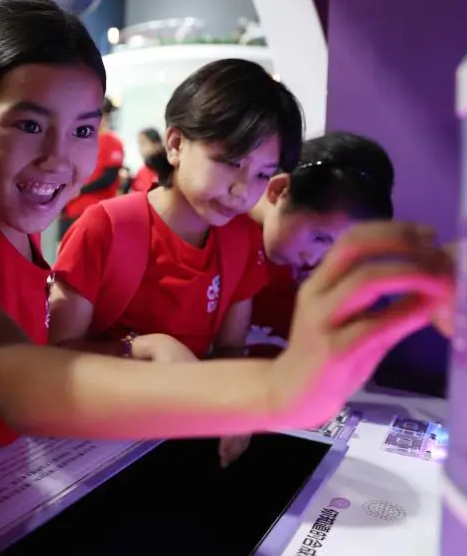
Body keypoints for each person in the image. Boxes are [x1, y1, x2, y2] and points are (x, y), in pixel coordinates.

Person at [0, 0, 454, 474]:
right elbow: (19, 382)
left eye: (83, 131)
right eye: (28, 125)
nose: (59, 158)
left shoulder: (10, 233)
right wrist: (275, 388)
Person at [48, 59, 302, 466]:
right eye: (231, 162)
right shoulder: (107, 227)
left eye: (262, 174)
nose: (242, 190)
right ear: (176, 144)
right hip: (97, 446)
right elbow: (52, 362)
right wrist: (142, 348)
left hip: (182, 439)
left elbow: (230, 348)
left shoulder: (240, 239)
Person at [246, 132, 395, 356]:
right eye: (319, 237)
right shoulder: (221, 237)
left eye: (335, 246)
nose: (315, 258)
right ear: (279, 190)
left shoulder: (318, 272)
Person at [57, 96, 123, 238]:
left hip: (95, 210)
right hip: (72, 211)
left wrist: (80, 190)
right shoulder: (79, 143)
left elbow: (108, 178)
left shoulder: (111, 141)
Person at [129, 126, 163, 193]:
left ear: (157, 145)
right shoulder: (140, 172)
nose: (140, 148)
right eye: (139, 144)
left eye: (143, 143)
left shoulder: (166, 170)